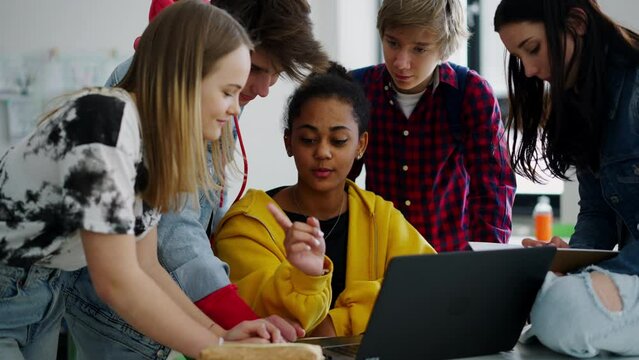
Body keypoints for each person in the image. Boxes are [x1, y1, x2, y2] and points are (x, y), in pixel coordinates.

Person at [0, 2, 285, 360]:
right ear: (186, 76)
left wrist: (221, 333)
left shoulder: (150, 145)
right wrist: (220, 349)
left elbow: (146, 267)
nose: (234, 109)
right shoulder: (105, 121)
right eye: (228, 91)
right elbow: (117, 281)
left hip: (45, 294)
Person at [64, 0, 329, 358]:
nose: (262, 91)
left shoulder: (190, 108)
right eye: (257, 70)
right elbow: (163, 247)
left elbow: (149, 260)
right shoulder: (114, 123)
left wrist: (225, 333)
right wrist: (225, 340)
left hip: (113, 299)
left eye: (276, 74)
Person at [214, 63, 437, 338]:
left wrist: (337, 322)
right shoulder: (248, 224)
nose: (322, 152)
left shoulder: (379, 216)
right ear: (288, 142)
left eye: (339, 140)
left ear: (361, 145)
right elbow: (259, 318)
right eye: (308, 139)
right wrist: (305, 277)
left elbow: (430, 285)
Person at [494, 0, 639, 357]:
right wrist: (571, 260)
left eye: (533, 49)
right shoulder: (581, 99)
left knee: (566, 310)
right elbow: (597, 211)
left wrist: (595, 276)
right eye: (519, 57)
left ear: (576, 23)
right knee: (536, 294)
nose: (527, 70)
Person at [348, 0, 516, 252]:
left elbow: (493, 188)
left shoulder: (469, 92)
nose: (401, 62)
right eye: (393, 43)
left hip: (449, 257)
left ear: (444, 49)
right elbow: (339, 181)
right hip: (376, 254)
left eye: (419, 49)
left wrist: (484, 265)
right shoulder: (357, 89)